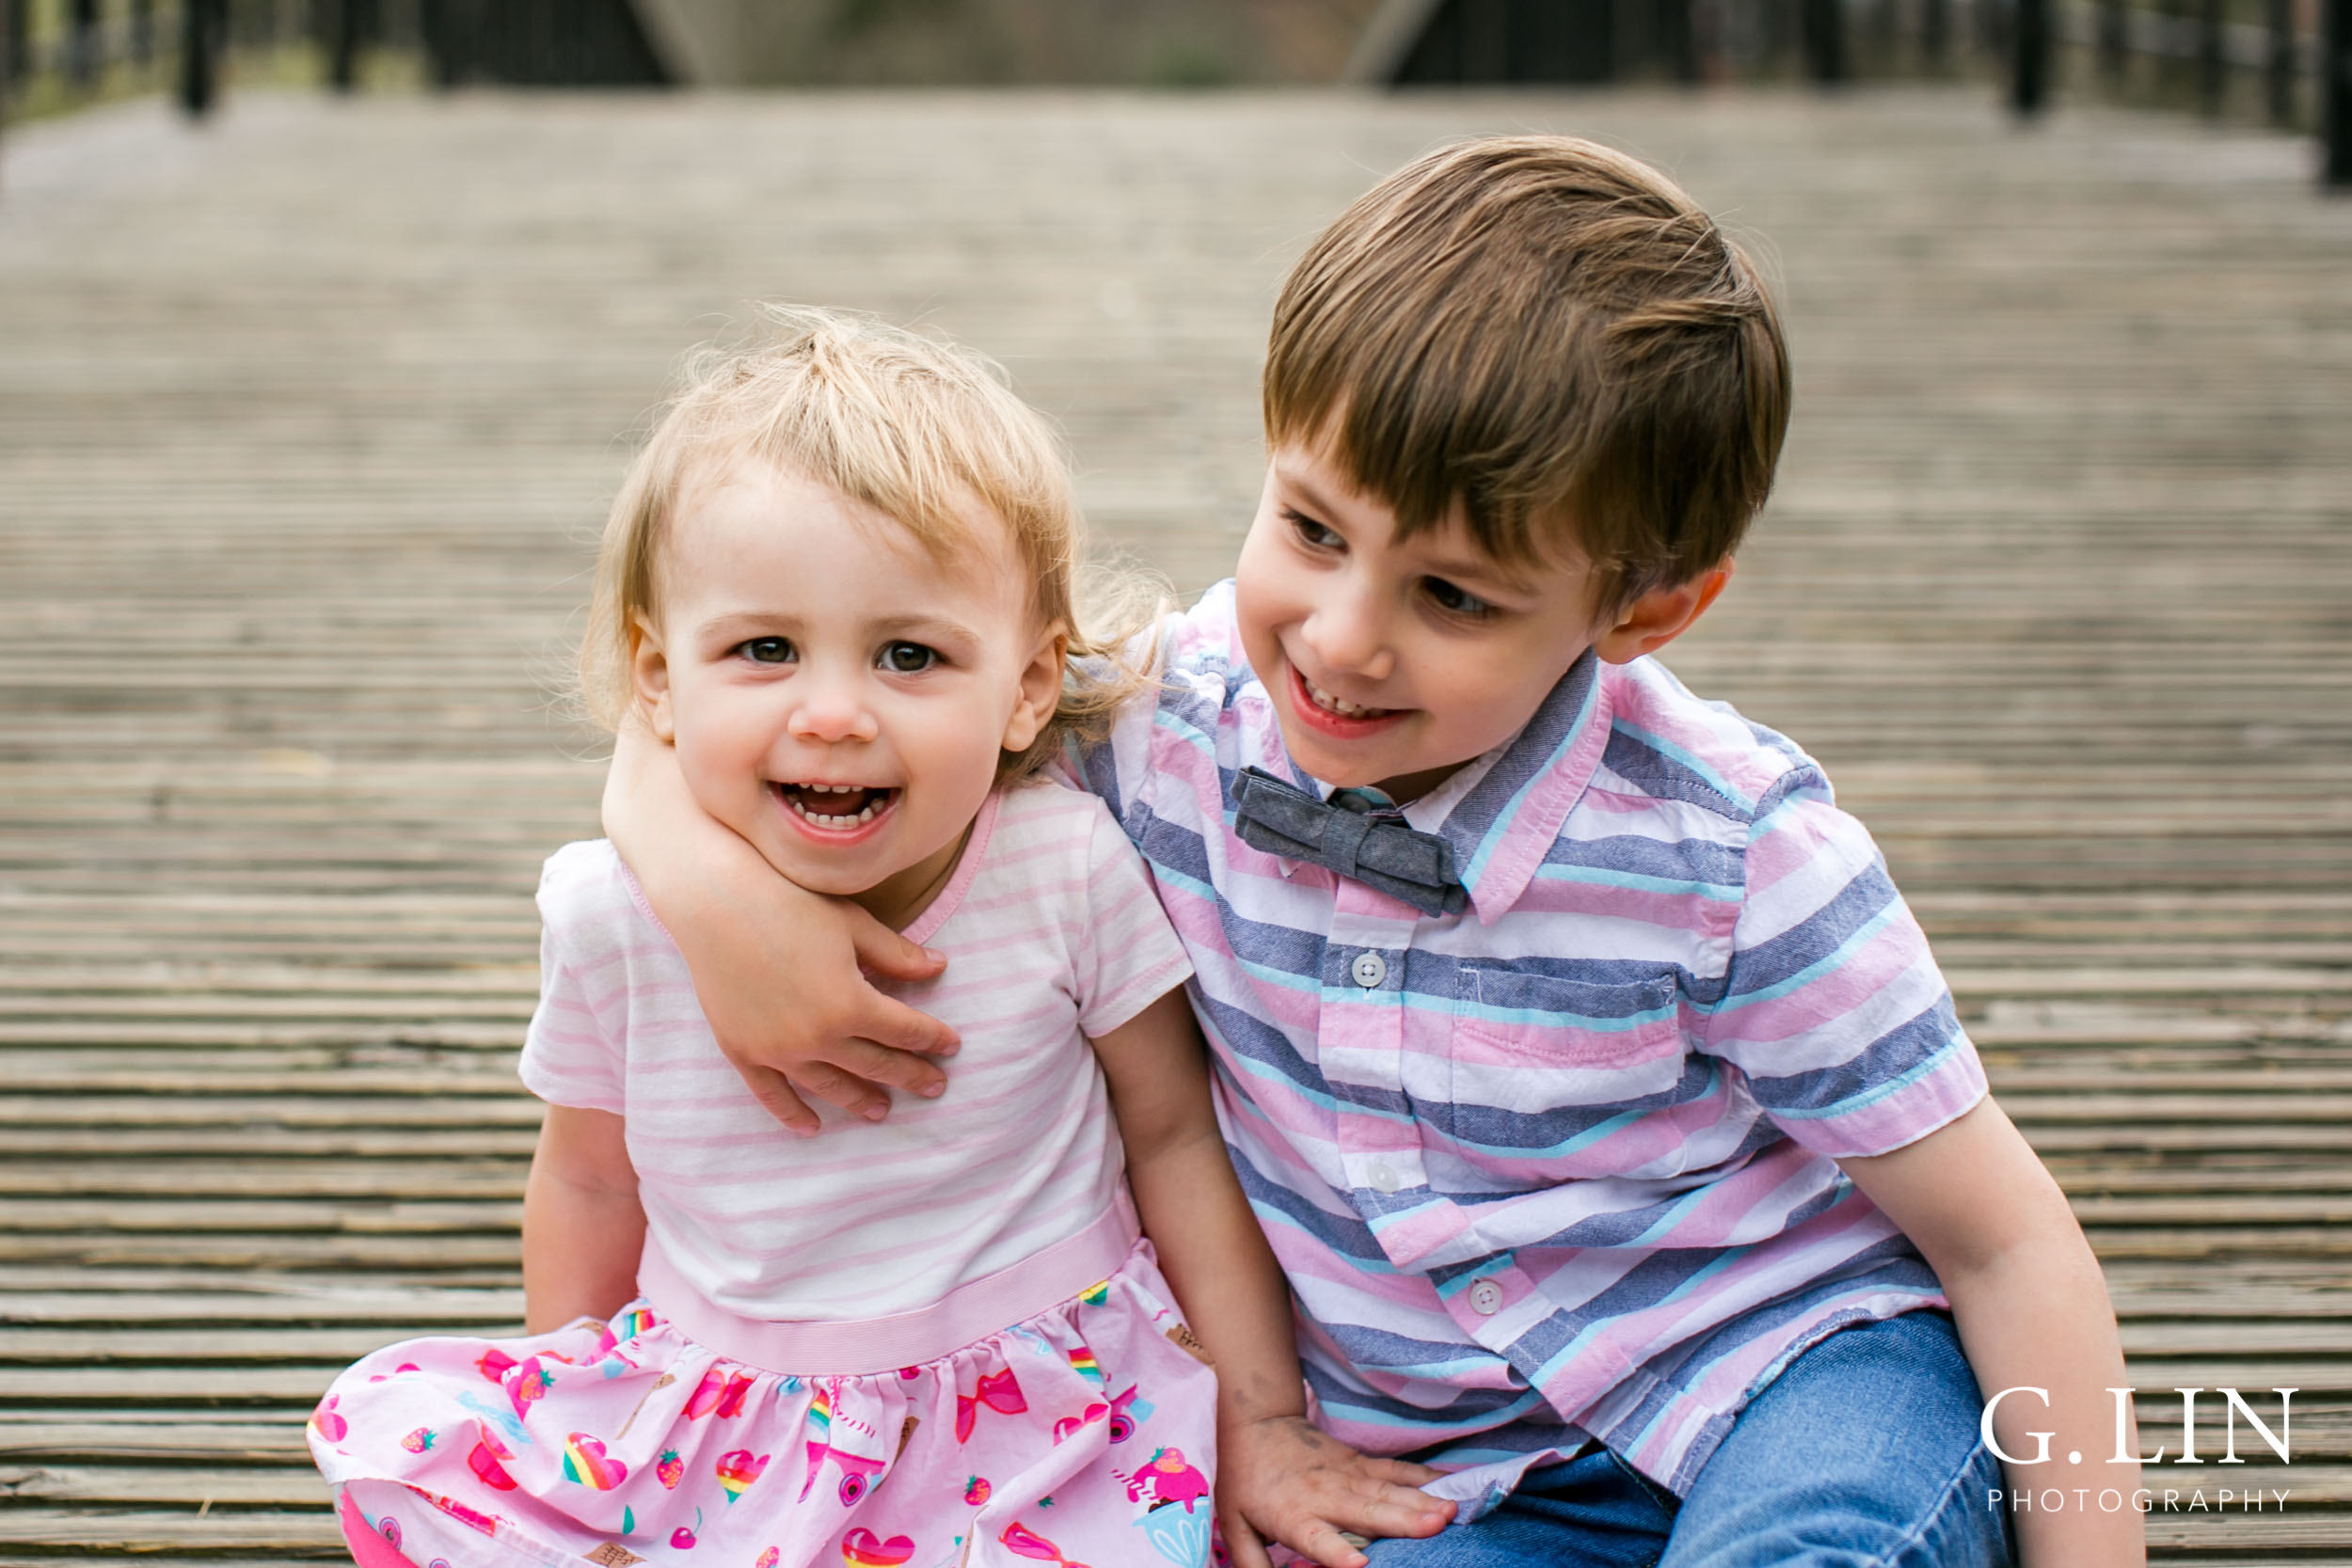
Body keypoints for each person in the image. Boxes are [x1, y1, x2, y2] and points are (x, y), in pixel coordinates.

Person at [604, 141, 2146, 1567]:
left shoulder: (1734, 858)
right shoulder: (1163, 724)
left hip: (1787, 1373)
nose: (1341, 640)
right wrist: (700, 882)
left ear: (1645, 610)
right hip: (1451, 1473)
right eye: (1312, 530)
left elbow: (2010, 1247)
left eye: (1454, 598)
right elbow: (806, 717)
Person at [306, 310, 1454, 1568]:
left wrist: (1261, 1418)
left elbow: (1175, 1136)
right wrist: (578, 1430)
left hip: (1042, 1417)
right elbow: (587, 1178)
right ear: (657, 679)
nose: (837, 713)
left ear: (1023, 690)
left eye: (910, 654)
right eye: (764, 650)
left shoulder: (1062, 866)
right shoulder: (611, 917)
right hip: (733, 1413)